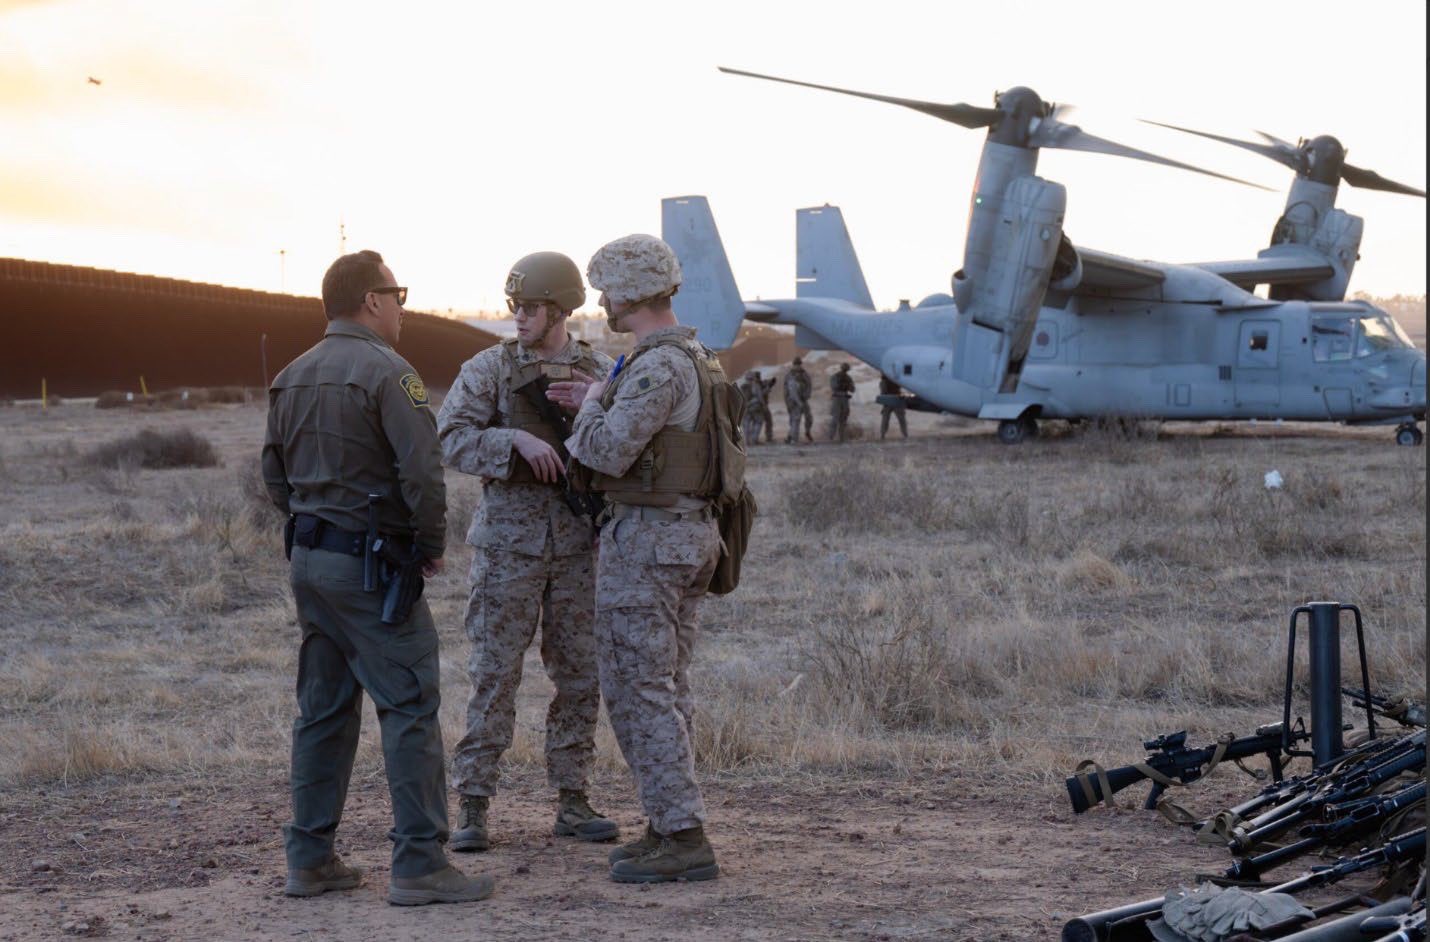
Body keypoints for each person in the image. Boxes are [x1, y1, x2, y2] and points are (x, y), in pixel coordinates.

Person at [262, 250, 494, 906]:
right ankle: (420, 863)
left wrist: (316, 526)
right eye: (397, 294)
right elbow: (423, 472)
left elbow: (273, 474)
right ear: (371, 300)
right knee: (410, 705)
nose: (402, 306)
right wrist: (425, 546)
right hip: (371, 570)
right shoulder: (388, 372)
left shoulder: (291, 375)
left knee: (323, 711)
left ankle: (309, 859)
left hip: (311, 563)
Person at [548, 234, 722, 884]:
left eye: (607, 290)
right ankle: (667, 819)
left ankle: (682, 834)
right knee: (667, 685)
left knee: (637, 685)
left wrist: (590, 410)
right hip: (686, 537)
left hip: (650, 542)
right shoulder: (698, 357)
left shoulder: (656, 366)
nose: (601, 302)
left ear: (628, 291)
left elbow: (605, 453)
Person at [436, 252, 617, 854]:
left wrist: (594, 401)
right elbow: (451, 437)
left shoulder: (598, 370)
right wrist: (509, 437)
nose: (519, 317)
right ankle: (474, 805)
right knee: (493, 674)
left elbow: (628, 447)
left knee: (579, 674)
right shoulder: (489, 368)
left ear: (561, 308)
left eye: (531, 307)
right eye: (514, 306)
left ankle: (571, 798)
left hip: (576, 547)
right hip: (507, 548)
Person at [783, 356, 813, 444]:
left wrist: (806, 396)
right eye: (796, 364)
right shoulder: (790, 375)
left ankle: (806, 432)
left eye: (799, 364)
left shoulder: (804, 373)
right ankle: (793, 439)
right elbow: (789, 391)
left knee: (809, 418)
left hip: (803, 399)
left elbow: (809, 385)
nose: (798, 366)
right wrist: (792, 402)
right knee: (795, 420)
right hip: (793, 401)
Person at [830, 362, 855, 442]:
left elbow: (852, 389)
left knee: (843, 419)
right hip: (837, 398)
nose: (845, 370)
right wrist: (844, 385)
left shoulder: (848, 378)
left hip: (844, 398)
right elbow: (834, 387)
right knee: (835, 419)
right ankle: (831, 437)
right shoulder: (836, 376)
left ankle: (841, 437)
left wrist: (847, 385)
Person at [739, 369, 766, 445]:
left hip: (745, 408)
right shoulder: (755, 386)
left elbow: (739, 398)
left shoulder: (742, 386)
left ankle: (747, 441)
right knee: (758, 422)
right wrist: (763, 405)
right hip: (755, 407)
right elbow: (760, 397)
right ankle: (754, 440)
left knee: (746, 425)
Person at [879, 374, 908, 440]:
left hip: (889, 401)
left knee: (885, 420)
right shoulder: (896, 379)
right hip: (896, 400)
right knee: (901, 420)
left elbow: (883, 392)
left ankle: (882, 435)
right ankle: (905, 434)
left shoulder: (883, 382)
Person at [759, 375, 776, 444]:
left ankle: (769, 437)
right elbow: (762, 394)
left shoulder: (761, 385)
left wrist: (770, 384)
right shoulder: (757, 387)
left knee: (769, 421)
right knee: (758, 423)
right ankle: (753, 438)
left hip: (763, 406)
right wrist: (767, 387)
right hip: (761, 406)